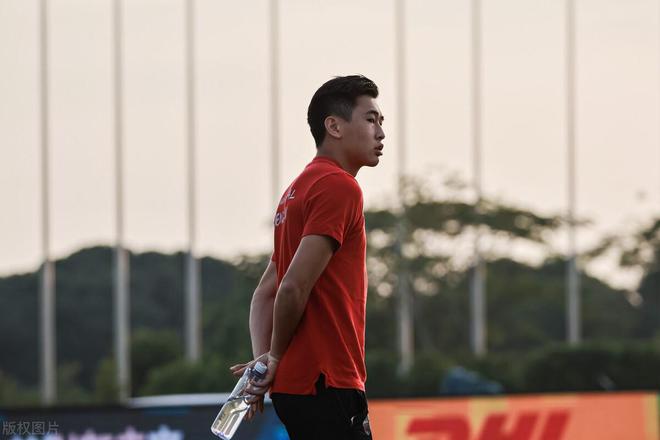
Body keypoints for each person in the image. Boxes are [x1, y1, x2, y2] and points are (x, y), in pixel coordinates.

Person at [230, 74, 385, 439]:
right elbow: (291, 288)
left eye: (381, 122)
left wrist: (266, 361)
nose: (380, 133)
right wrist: (274, 358)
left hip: (296, 386)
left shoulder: (296, 190)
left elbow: (264, 293)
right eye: (370, 120)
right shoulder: (339, 186)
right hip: (326, 380)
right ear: (334, 126)